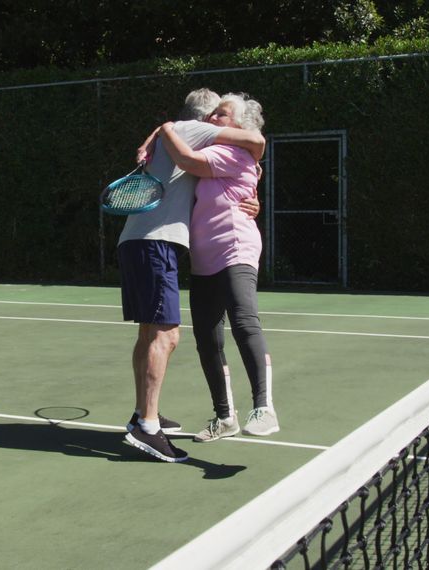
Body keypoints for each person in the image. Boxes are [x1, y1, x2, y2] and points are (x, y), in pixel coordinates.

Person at [120, 89, 266, 463]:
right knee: (166, 336)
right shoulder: (193, 130)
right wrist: (165, 126)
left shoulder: (179, 132)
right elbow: (255, 140)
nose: (220, 119)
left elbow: (230, 176)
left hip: (136, 240)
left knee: (148, 333)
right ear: (204, 119)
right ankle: (147, 428)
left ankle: (142, 413)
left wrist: (251, 190)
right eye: (217, 112)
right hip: (157, 242)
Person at [157, 93, 279, 443]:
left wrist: (164, 128)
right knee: (208, 340)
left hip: (234, 248)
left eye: (222, 116)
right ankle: (225, 417)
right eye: (212, 115)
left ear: (239, 126)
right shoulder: (232, 153)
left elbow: (186, 158)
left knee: (244, 321)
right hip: (204, 258)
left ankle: (264, 408)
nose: (212, 120)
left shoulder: (230, 151)